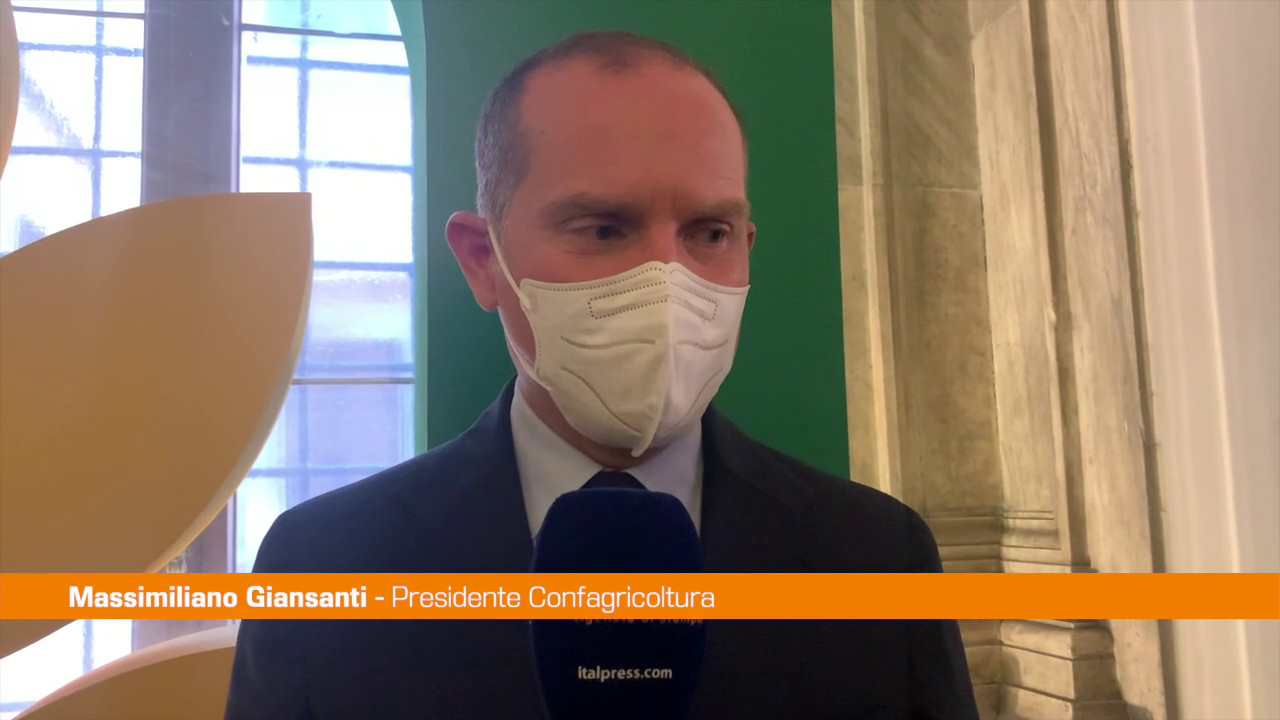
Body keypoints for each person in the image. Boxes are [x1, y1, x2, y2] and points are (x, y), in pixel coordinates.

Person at [225, 31, 979, 720]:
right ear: (484, 262)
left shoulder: (880, 558)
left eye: (709, 232)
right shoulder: (320, 571)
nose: (666, 279)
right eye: (604, 228)